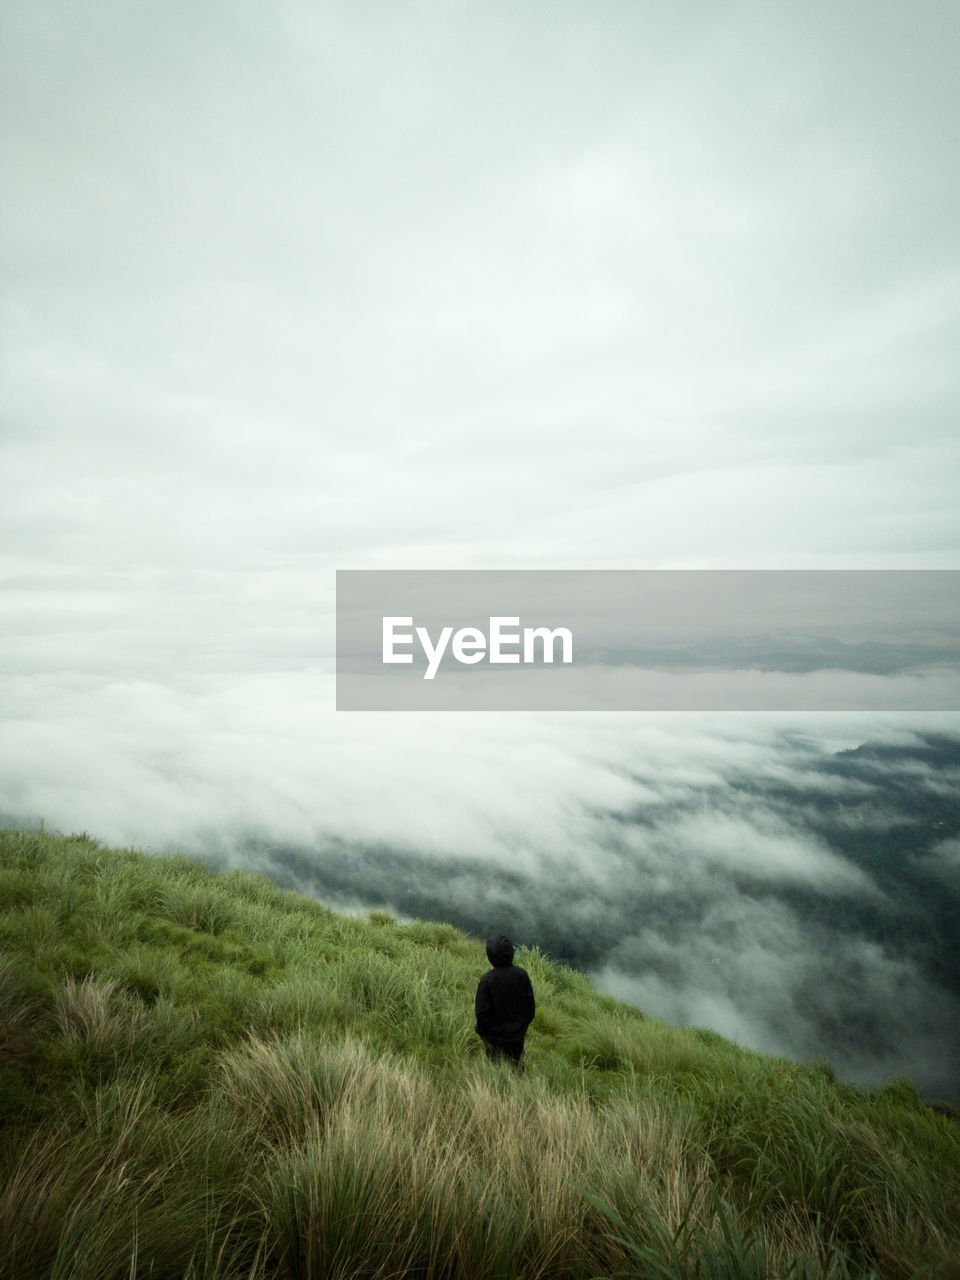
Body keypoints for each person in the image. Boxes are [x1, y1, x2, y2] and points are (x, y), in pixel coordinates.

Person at [475, 934, 535, 1068]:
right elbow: (530, 1007)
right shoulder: (522, 975)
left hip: (494, 1037)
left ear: (490, 957)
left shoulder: (487, 980)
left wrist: (481, 1032)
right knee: (516, 1064)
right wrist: (522, 1026)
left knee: (496, 1067)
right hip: (518, 1035)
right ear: (511, 953)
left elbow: (482, 1013)